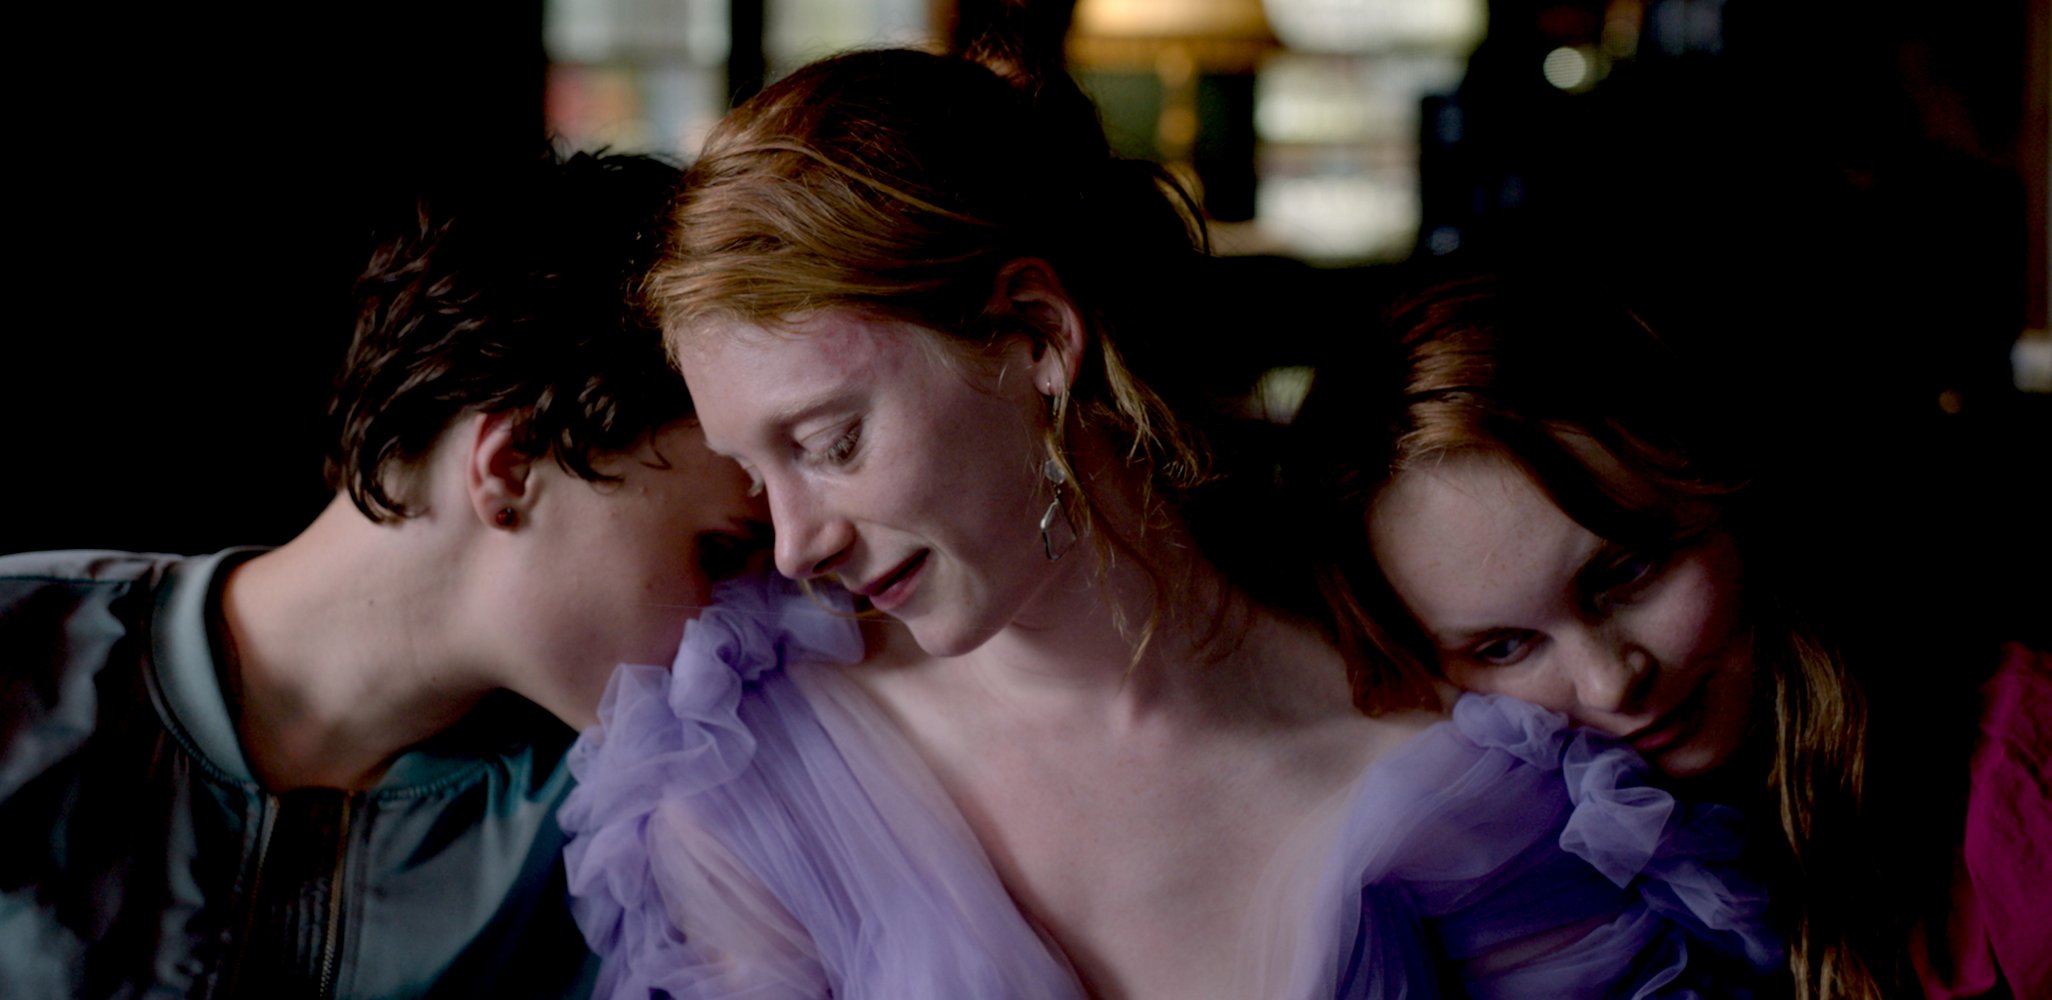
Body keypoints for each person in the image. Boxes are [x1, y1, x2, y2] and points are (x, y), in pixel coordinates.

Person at [558, 47, 1781, 998]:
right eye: (756, 476)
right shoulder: (757, 778)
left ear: (1036, 336)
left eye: (831, 445)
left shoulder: (1457, 765)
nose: (795, 544)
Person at [0, 149, 765, 998]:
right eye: (718, 552)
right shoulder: (21, 655)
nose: (746, 624)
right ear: (510, 465)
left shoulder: (635, 820)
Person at [1295, 273, 2049, 1000]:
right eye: (1504, 646)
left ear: (1729, 489)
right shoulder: (1504, 875)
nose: (1610, 683)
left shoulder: (2015, 765)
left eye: (1628, 571)